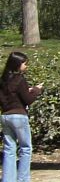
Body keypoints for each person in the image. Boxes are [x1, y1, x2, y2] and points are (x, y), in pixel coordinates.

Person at [0, 52, 42, 182]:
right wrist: (35, 90)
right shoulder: (20, 79)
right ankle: (23, 178)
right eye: (24, 64)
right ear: (18, 64)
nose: (25, 66)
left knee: (9, 148)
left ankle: (7, 179)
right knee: (25, 148)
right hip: (19, 116)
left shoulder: (3, 80)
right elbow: (28, 99)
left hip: (5, 115)